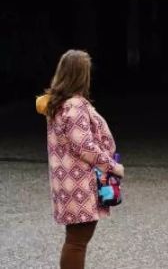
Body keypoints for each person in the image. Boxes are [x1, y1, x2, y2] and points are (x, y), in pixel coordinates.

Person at [36, 50, 125, 269]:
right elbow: (84, 147)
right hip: (79, 184)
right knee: (77, 242)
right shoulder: (74, 106)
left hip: (67, 182)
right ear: (80, 75)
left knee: (75, 239)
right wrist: (113, 167)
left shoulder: (58, 104)